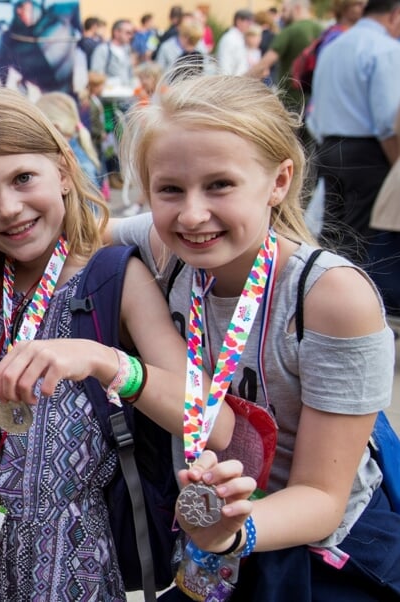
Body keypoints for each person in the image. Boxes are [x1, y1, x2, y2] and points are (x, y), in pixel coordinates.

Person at [0, 87, 237, 599]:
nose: (9, 208)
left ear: (63, 171)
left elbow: (215, 422)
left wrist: (106, 361)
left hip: (68, 565)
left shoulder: (111, 277)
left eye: (23, 178)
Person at [113, 72, 400, 601]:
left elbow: (321, 497)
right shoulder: (165, 250)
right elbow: (75, 229)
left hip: (323, 556)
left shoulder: (331, 299)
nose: (193, 214)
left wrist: (229, 534)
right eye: (169, 189)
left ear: (279, 181)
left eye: (220, 184)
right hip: (208, 544)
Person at [308, 0, 400, 316]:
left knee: (334, 235)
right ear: (395, 14)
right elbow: (388, 121)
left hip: (330, 147)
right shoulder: (386, 49)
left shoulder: (335, 44)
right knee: (362, 240)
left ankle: (322, 306)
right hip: (369, 152)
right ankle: (353, 315)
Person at [247, 0, 323, 116]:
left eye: (285, 10)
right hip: (316, 101)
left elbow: (263, 64)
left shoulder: (290, 31)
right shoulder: (322, 30)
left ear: (297, 8)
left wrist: (236, 82)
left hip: (292, 100)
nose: (282, 14)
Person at [216, 9, 256, 76]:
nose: (250, 25)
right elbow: (225, 64)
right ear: (238, 21)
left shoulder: (239, 37)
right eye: (248, 22)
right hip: (231, 82)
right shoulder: (230, 38)